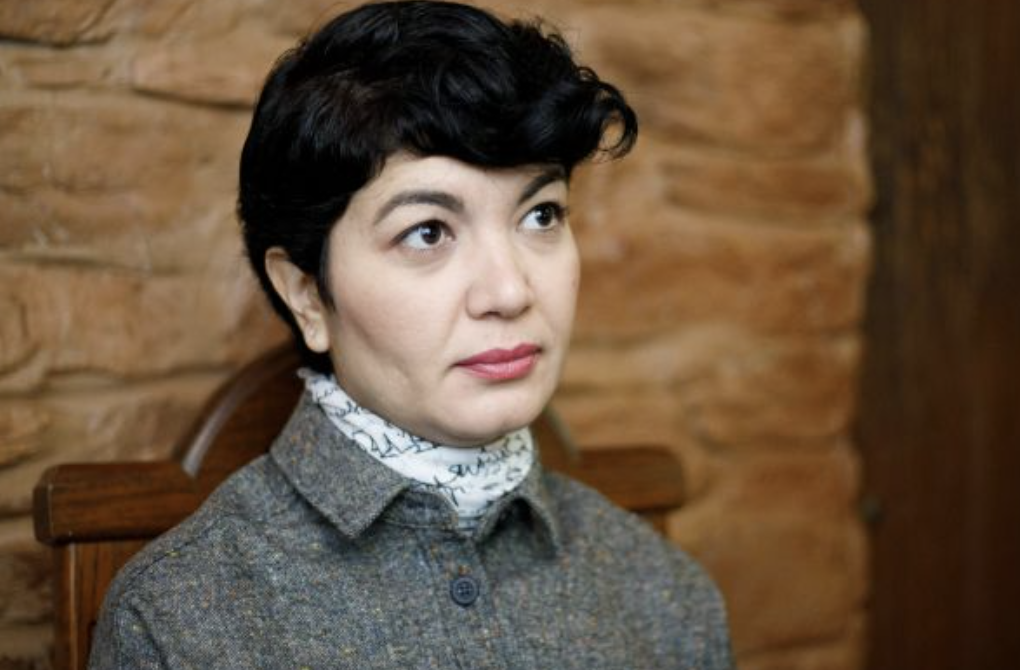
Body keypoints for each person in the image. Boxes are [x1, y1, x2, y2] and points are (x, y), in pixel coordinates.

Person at [89, 2, 735, 668]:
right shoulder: (177, 621)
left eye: (541, 215)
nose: (510, 293)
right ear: (306, 293)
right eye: (427, 232)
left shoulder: (668, 598)